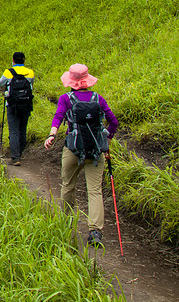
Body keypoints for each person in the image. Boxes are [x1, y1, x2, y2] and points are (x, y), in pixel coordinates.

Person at [44, 63, 118, 247]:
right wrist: (105, 142)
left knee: (68, 185)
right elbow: (113, 122)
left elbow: (58, 117)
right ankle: (95, 232)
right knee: (94, 191)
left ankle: (67, 222)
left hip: (73, 148)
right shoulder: (97, 98)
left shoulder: (66, 98)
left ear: (71, 81)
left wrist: (52, 134)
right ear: (87, 80)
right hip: (95, 150)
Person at [0, 52, 34, 166]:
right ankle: (21, 152)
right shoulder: (30, 72)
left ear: (13, 60)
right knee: (22, 129)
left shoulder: (9, 72)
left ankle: (15, 157)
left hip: (12, 105)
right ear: (24, 61)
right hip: (26, 104)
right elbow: (31, 84)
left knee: (13, 130)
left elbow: (0, 83)